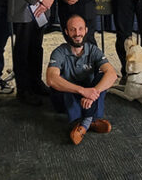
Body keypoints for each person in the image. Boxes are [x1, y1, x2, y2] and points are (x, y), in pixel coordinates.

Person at [46, 15, 117, 145]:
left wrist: (91, 94)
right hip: (68, 97)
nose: (77, 33)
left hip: (88, 97)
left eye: (80, 29)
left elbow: (112, 74)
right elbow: (51, 79)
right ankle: (90, 120)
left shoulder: (93, 50)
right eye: (72, 30)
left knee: (103, 78)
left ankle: (84, 123)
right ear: (66, 32)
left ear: (85, 30)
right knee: (60, 81)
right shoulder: (59, 52)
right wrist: (82, 91)